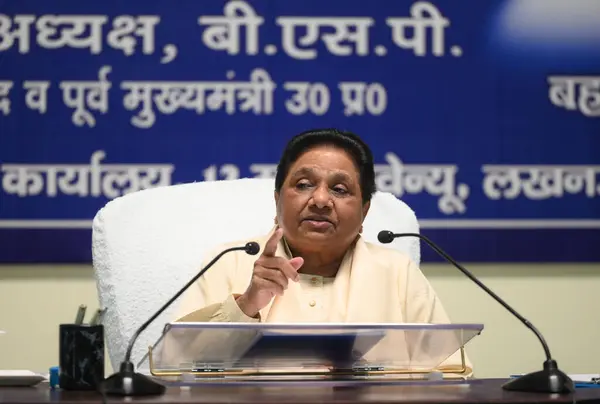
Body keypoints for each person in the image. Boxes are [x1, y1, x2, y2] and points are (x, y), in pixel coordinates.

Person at [171, 128, 472, 377]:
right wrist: (246, 306)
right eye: (303, 184)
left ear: (364, 211)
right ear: (277, 200)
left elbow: (452, 375)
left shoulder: (396, 273)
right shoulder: (230, 260)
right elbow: (178, 372)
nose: (320, 200)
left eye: (340, 189)